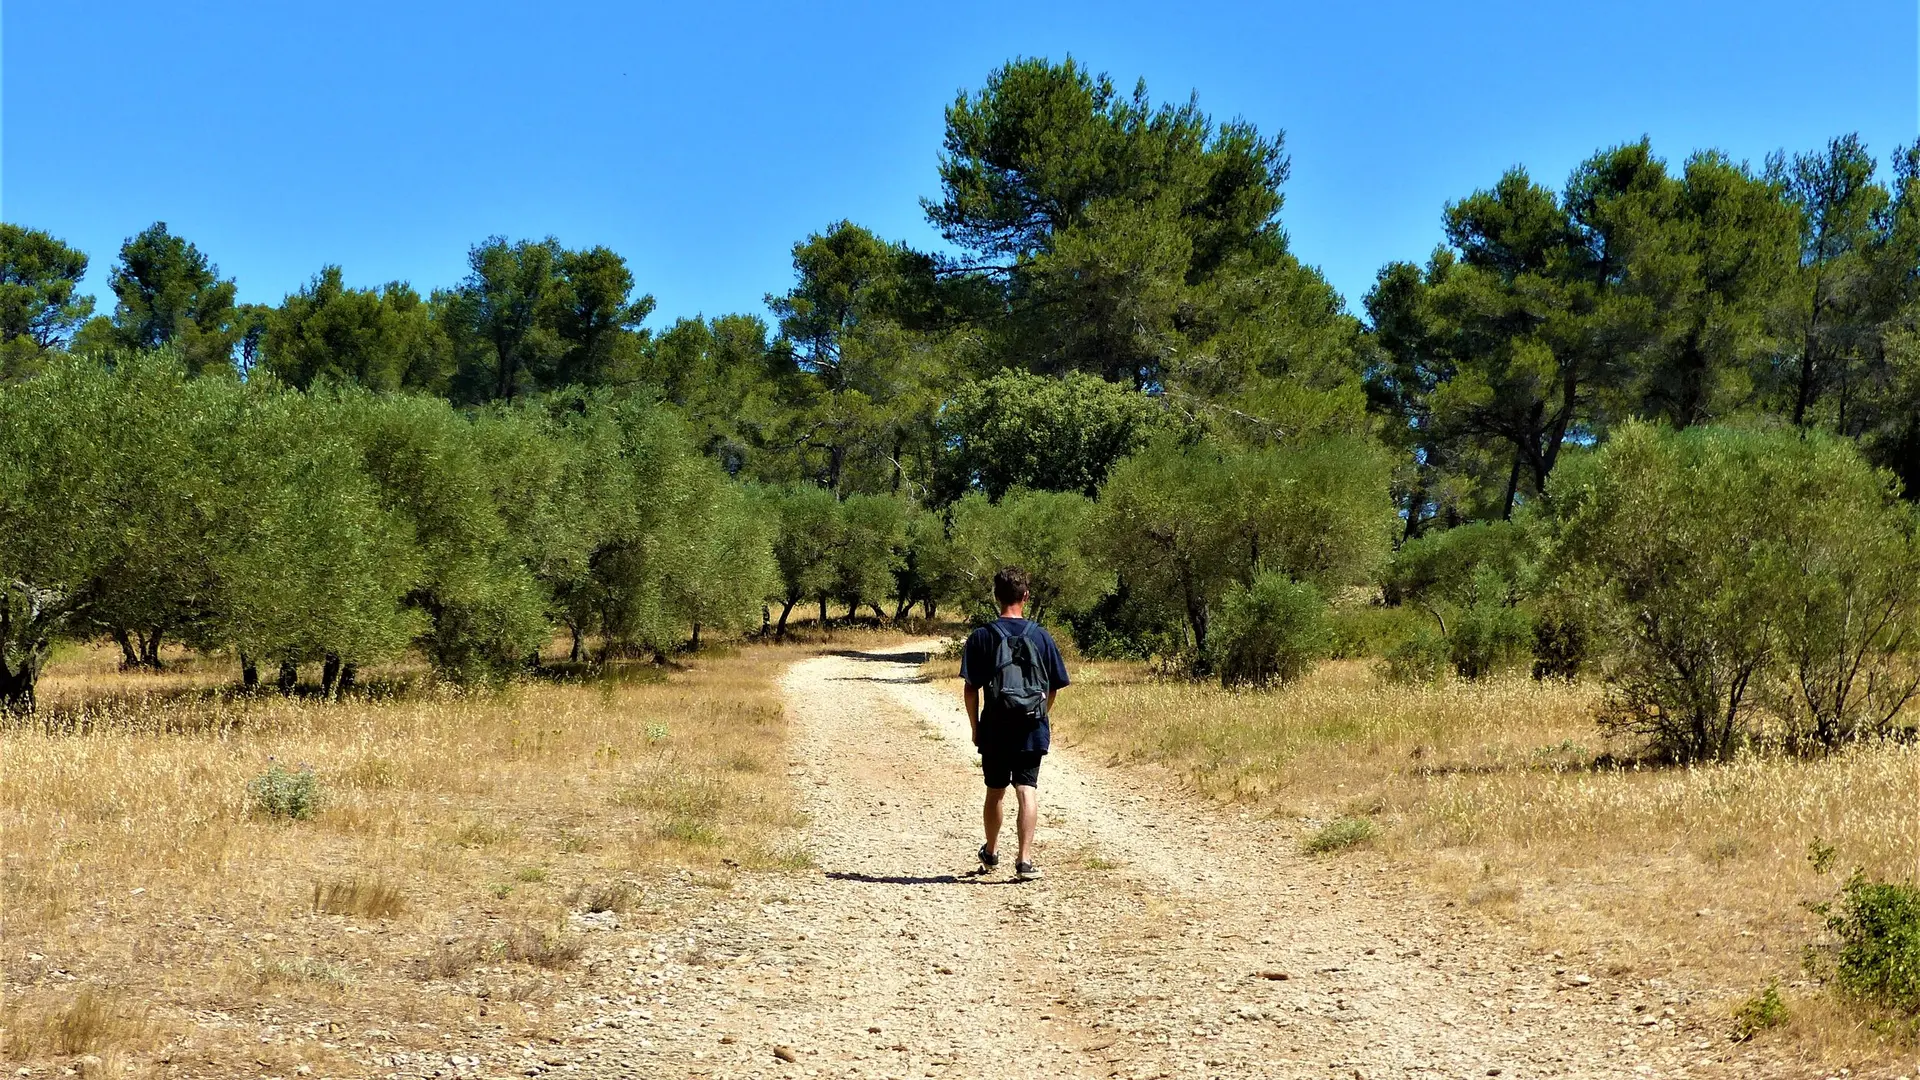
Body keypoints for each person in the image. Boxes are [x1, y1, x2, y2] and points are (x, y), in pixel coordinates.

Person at [959, 566, 1070, 880]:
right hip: (1031, 728)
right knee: (1026, 789)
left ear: (996, 596)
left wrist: (975, 727)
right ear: (1026, 596)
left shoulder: (982, 636)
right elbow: (1053, 687)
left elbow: (970, 688)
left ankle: (991, 852)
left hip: (995, 727)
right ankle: (1024, 860)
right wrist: (1039, 714)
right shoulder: (1041, 636)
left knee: (995, 790)